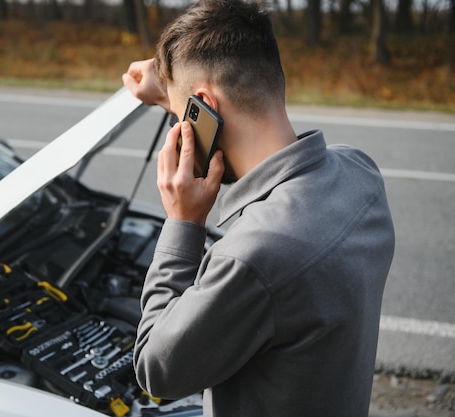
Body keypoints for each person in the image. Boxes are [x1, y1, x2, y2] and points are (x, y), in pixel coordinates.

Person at [122, 0, 395, 415]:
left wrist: (183, 220)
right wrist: (170, 82)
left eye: (182, 117)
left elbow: (156, 368)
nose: (181, 130)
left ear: (203, 107)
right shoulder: (360, 174)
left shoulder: (252, 258)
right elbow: (214, 93)